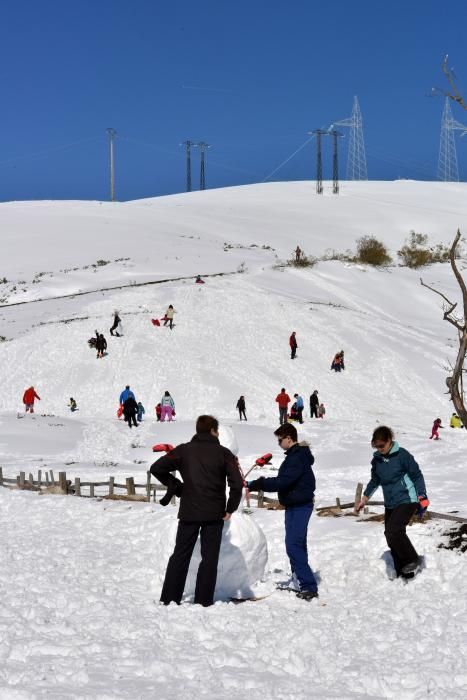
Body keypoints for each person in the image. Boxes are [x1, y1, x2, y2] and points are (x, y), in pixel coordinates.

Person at [150, 415, 244, 607]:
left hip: (189, 512)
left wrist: (177, 486)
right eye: (217, 430)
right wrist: (230, 508)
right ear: (212, 430)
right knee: (209, 559)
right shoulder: (223, 453)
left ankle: (169, 599)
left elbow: (156, 468)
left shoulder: (184, 450)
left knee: (180, 555)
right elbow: (236, 484)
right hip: (214, 514)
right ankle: (203, 601)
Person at [248, 422, 318, 601]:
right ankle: (300, 580)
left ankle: (308, 586)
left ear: (289, 438)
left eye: (280, 440)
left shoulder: (296, 457)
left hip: (300, 505)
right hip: (295, 504)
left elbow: (282, 482)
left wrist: (259, 483)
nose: (279, 444)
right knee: (298, 544)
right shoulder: (295, 455)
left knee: (293, 545)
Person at [357, 426, 429, 580]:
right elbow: (375, 480)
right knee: (390, 536)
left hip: (407, 499)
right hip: (390, 502)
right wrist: (365, 498)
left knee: (393, 530)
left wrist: (422, 496)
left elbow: (417, 475)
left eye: (382, 445)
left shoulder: (402, 455)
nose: (379, 449)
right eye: (376, 446)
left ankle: (412, 560)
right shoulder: (377, 460)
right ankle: (403, 569)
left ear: (389, 441)